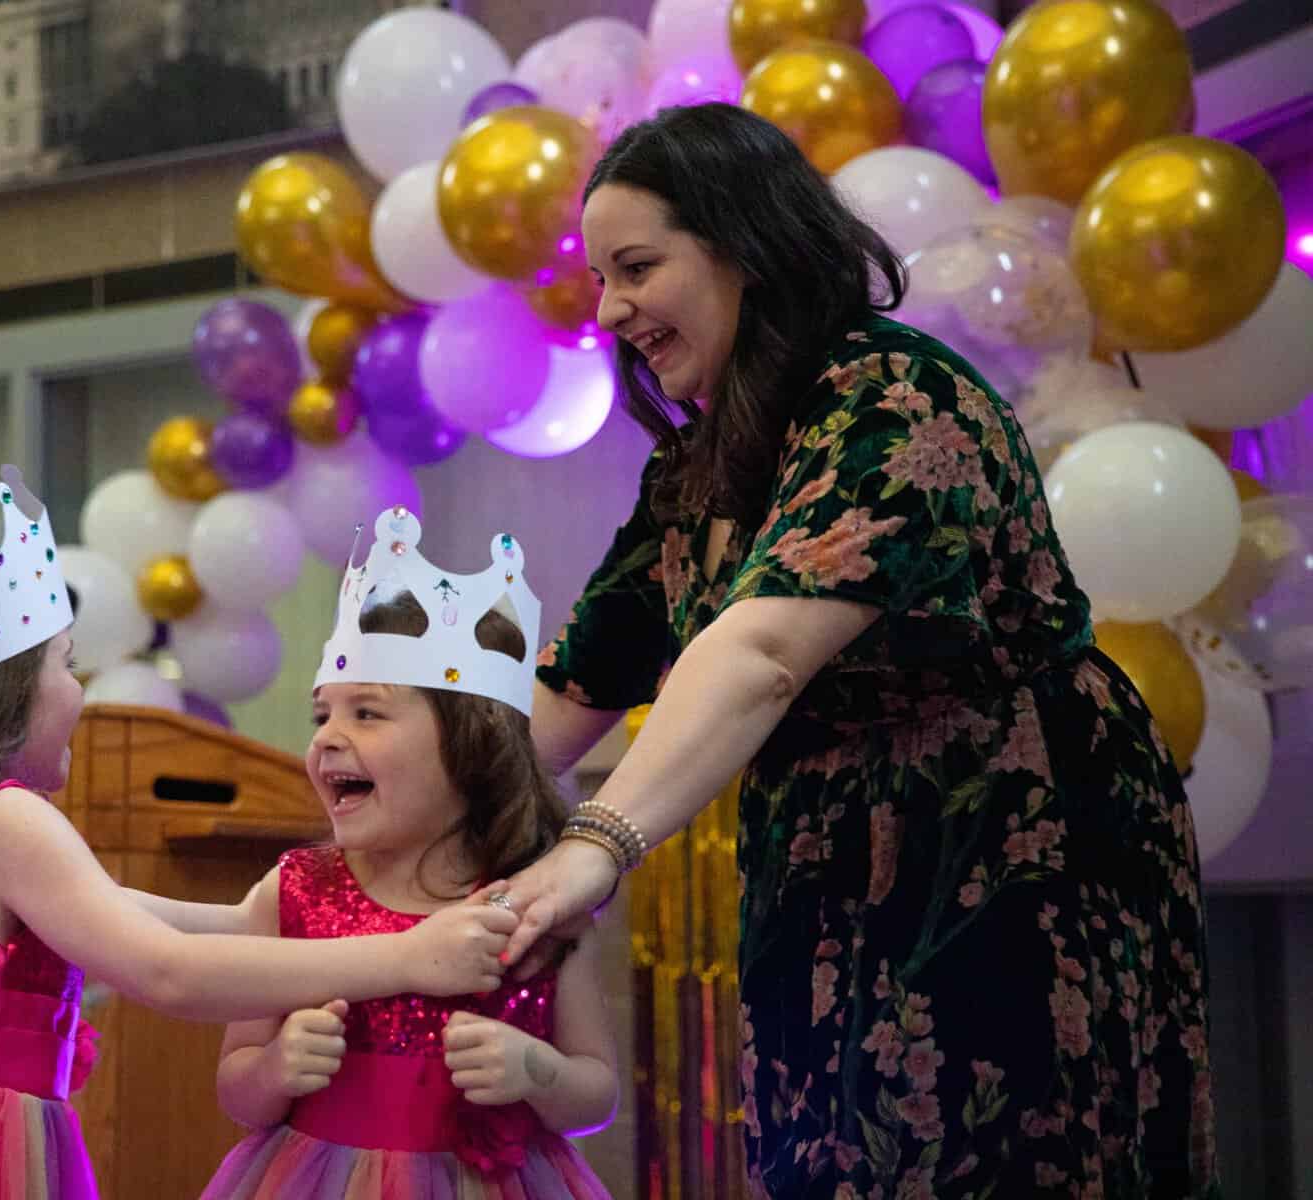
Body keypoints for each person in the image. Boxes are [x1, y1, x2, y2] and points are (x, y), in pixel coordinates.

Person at [498, 105, 1219, 1198]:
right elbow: (575, 682)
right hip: (829, 875)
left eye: (637, 267)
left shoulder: (891, 394)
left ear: (745, 242)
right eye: (602, 278)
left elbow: (767, 647)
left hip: (1005, 847)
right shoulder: (702, 462)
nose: (613, 309)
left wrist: (594, 844)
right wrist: (408, 812)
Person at [0, 468, 516, 1200]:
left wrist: (285, 912)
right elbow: (162, 970)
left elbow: (111, 910)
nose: (82, 692)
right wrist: (409, 958)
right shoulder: (4, 819)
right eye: (69, 665)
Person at [201, 513, 618, 1199]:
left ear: (469, 747)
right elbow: (237, 1088)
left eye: (366, 713)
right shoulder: (294, 892)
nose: (328, 738)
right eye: (322, 715)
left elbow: (595, 1092)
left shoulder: (536, 904)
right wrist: (275, 1068)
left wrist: (535, 1071)